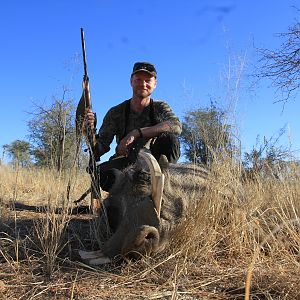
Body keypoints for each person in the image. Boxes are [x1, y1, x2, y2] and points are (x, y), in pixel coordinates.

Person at [85, 62, 182, 191]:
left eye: (148, 80)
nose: (143, 84)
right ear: (131, 81)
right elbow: (98, 149)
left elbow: (175, 126)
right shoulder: (116, 112)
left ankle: (165, 189)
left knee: (171, 140)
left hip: (153, 163)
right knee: (101, 174)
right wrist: (87, 131)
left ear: (155, 84)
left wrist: (136, 133)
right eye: (138, 80)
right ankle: (131, 195)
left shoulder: (160, 107)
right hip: (126, 161)